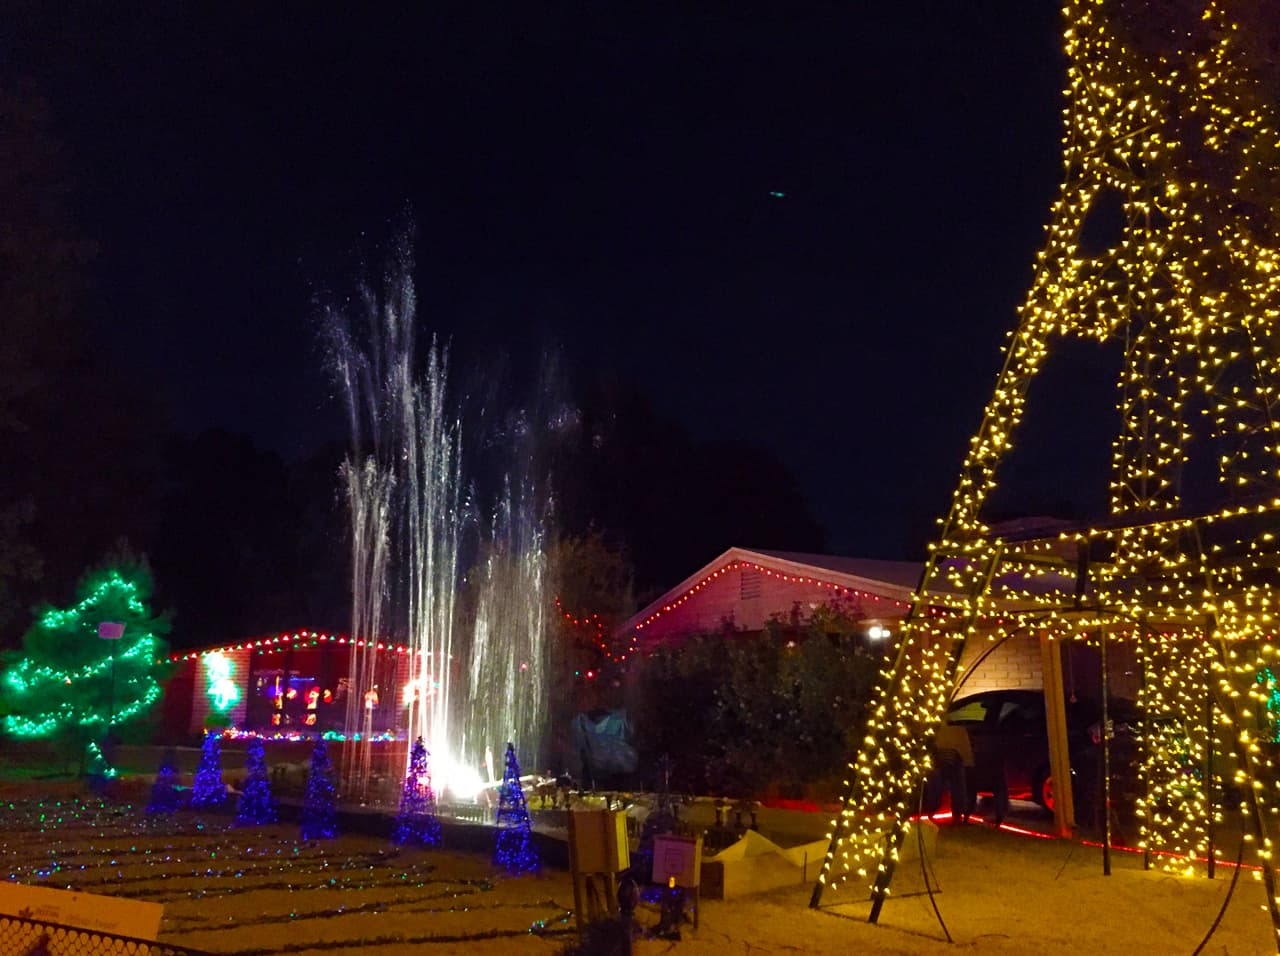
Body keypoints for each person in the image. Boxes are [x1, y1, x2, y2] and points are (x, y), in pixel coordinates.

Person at [932, 721, 975, 823]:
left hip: (948, 754)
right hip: (952, 755)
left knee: (951, 783)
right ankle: (957, 812)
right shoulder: (958, 727)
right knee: (957, 784)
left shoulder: (953, 727)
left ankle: (936, 808)